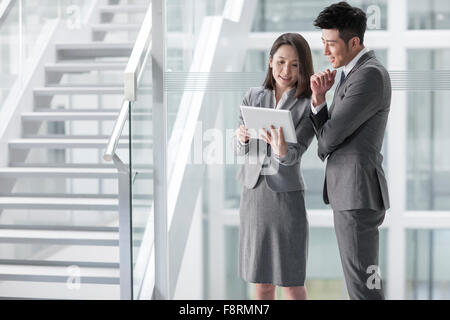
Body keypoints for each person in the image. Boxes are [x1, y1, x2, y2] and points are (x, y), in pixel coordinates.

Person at [309, 2, 391, 300]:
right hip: (350, 194)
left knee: (364, 288)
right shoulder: (350, 73)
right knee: (361, 284)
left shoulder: (369, 75)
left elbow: (328, 140)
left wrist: (320, 107)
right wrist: (319, 98)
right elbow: (330, 135)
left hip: (358, 194)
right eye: (323, 43)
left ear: (354, 41)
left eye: (331, 44)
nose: (326, 52)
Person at [233, 33, 315, 300]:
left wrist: (282, 150)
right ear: (270, 62)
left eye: (294, 65)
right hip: (255, 196)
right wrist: (241, 139)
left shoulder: (307, 106)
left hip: (286, 198)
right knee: (261, 282)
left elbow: (296, 153)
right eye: (280, 62)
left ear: (302, 68)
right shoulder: (253, 97)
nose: (286, 71)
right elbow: (239, 149)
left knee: (291, 281)